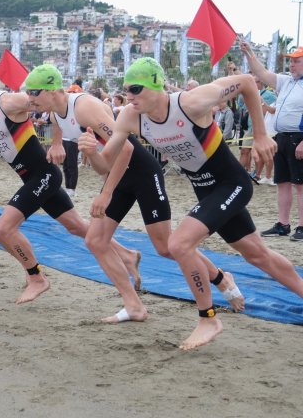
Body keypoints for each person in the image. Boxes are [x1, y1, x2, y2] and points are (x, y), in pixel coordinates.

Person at [26, 64, 244, 325]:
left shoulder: (84, 107)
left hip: (141, 172)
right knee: (95, 241)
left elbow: (127, 150)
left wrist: (106, 193)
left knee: (165, 247)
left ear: (53, 91)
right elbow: (63, 129)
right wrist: (58, 144)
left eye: (34, 92)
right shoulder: (53, 114)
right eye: (27, 93)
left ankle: (221, 278)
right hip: (116, 176)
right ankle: (134, 306)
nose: (30, 99)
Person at [114, 57, 301, 350]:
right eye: (125, 89)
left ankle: (208, 318)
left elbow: (248, 82)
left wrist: (262, 134)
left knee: (178, 245)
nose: (129, 96)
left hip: (232, 185)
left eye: (135, 88)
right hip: (206, 191)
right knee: (258, 255)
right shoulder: (130, 117)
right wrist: (93, 152)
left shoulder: (191, 102)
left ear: (156, 85)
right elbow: (105, 161)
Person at [0, 59, 140, 303]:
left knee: (3, 228)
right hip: (28, 176)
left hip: (44, 174)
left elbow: (57, 106)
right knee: (76, 226)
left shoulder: (8, 102)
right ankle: (127, 254)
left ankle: (36, 277)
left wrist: (56, 142)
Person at [242, 42, 303, 241]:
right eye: (291, 61)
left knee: (301, 186)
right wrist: (249, 53)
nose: (292, 65)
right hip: (282, 137)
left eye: (297, 61)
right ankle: (283, 224)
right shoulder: (287, 81)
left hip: (298, 138)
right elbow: (261, 72)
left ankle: (302, 226)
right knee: (282, 183)